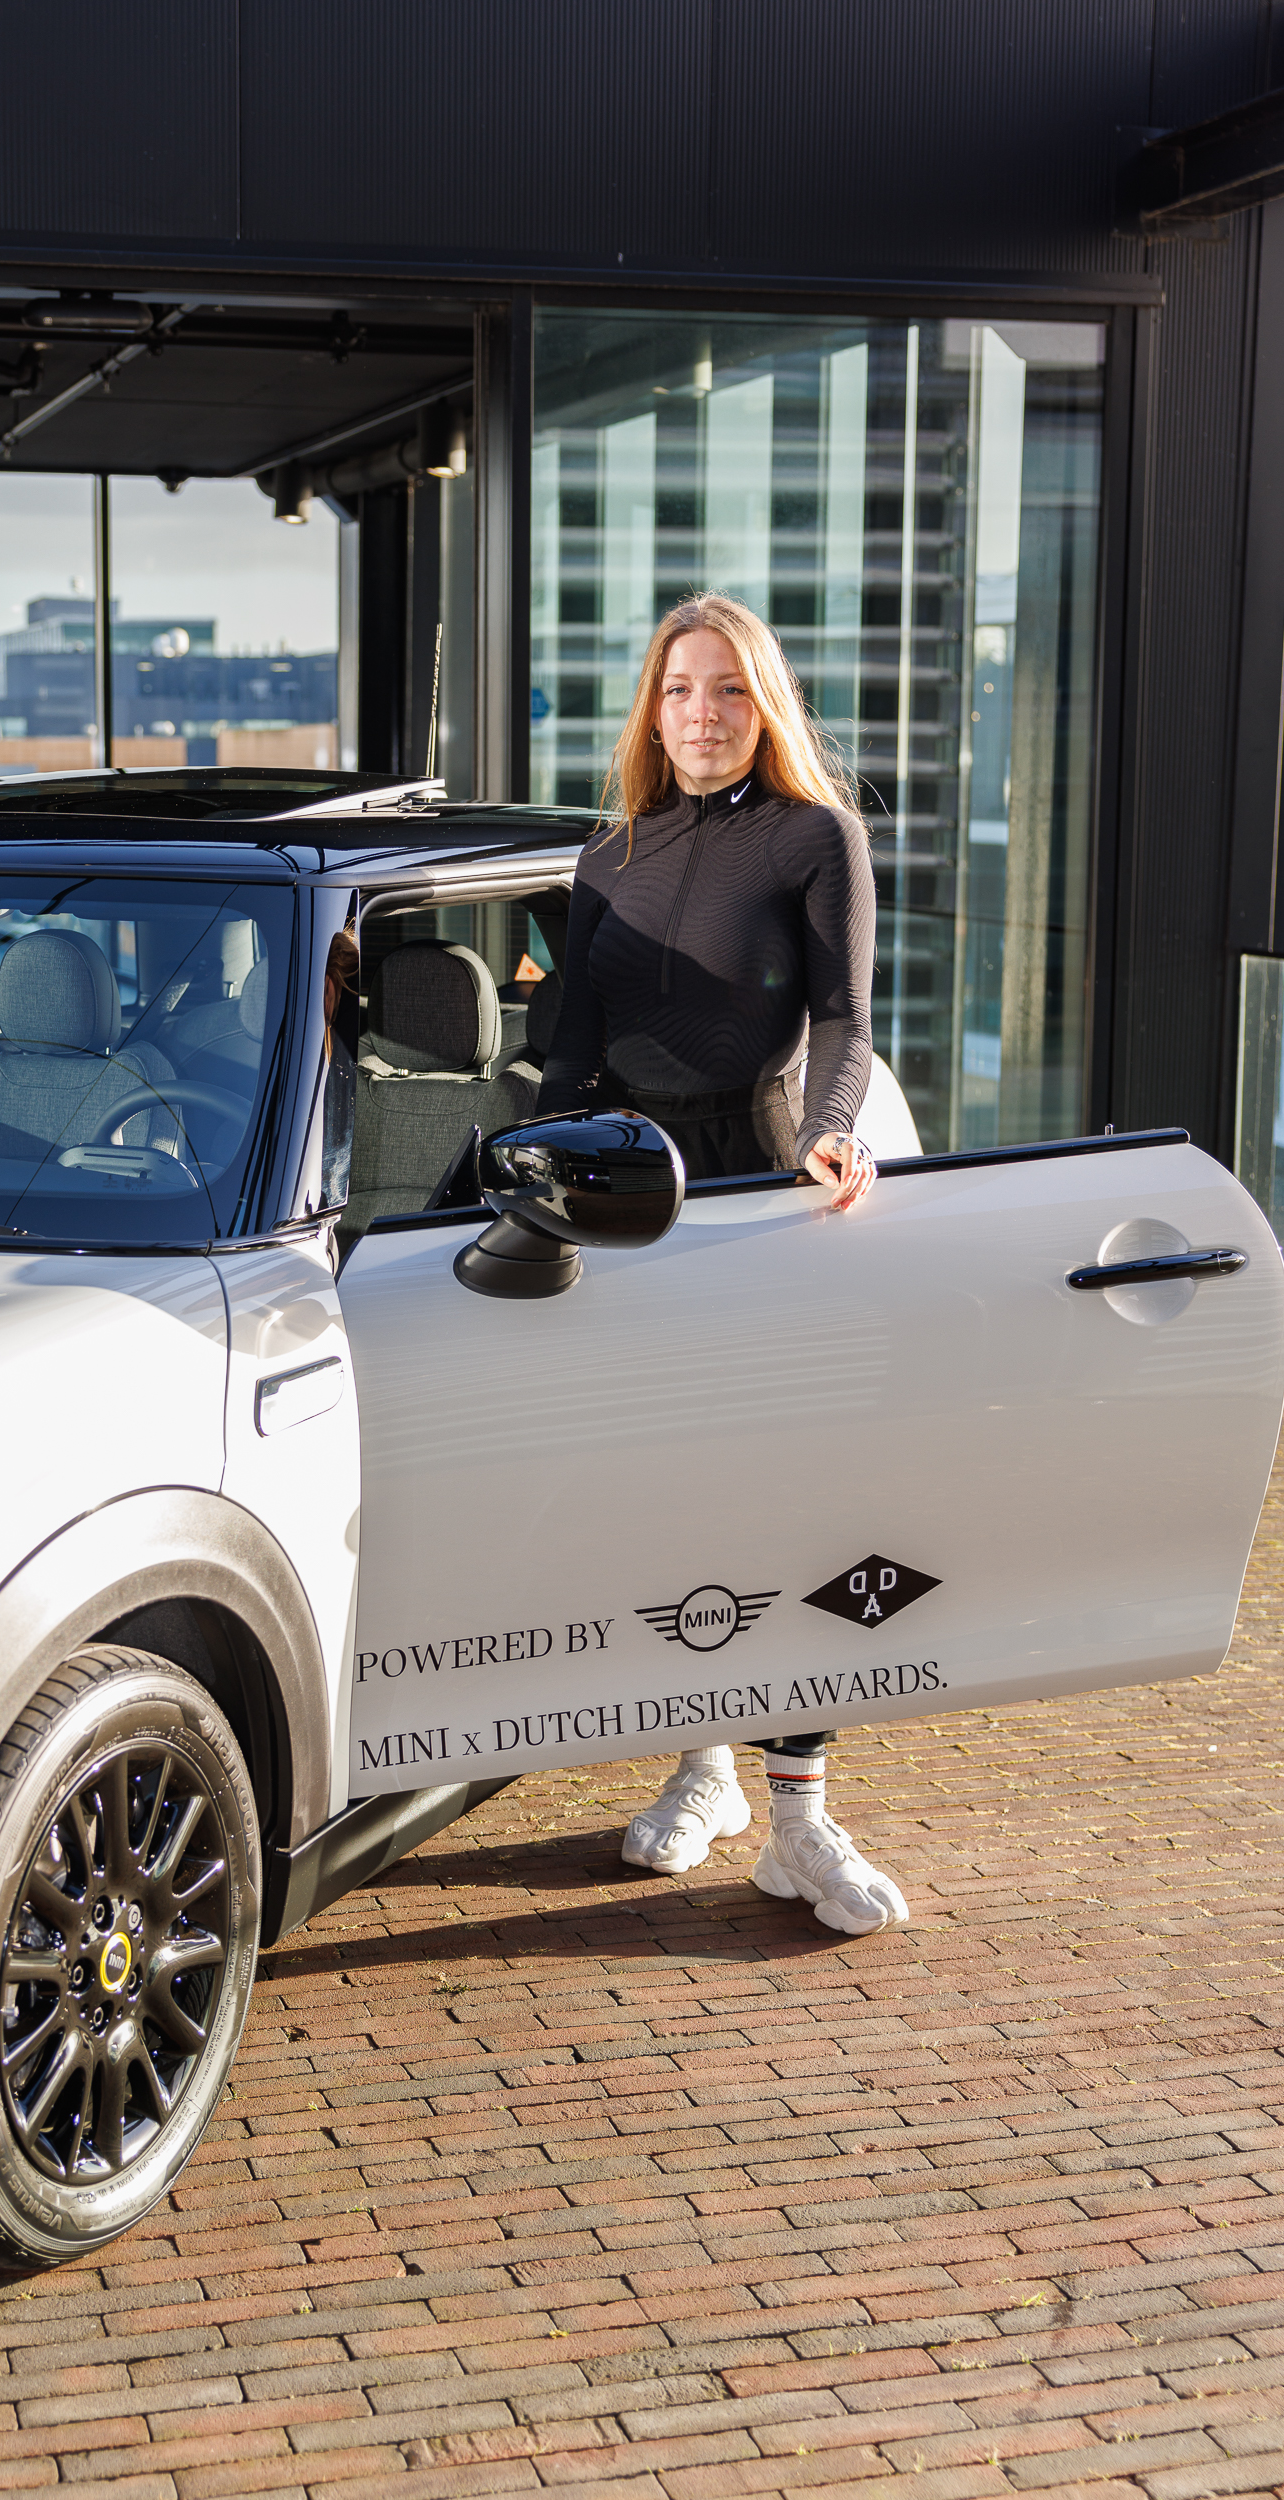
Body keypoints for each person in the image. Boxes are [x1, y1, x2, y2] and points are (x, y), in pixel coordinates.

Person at [536, 592, 907, 1937]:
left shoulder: (815, 837)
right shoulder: (609, 856)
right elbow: (568, 1057)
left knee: (787, 1513)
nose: (704, 713)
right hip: (632, 1209)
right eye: (682, 689)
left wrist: (831, 1135)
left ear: (766, 705)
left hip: (759, 1195)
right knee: (665, 1501)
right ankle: (704, 1767)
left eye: (731, 689)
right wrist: (507, 1175)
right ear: (653, 707)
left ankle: (800, 1821)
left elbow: (845, 1022)